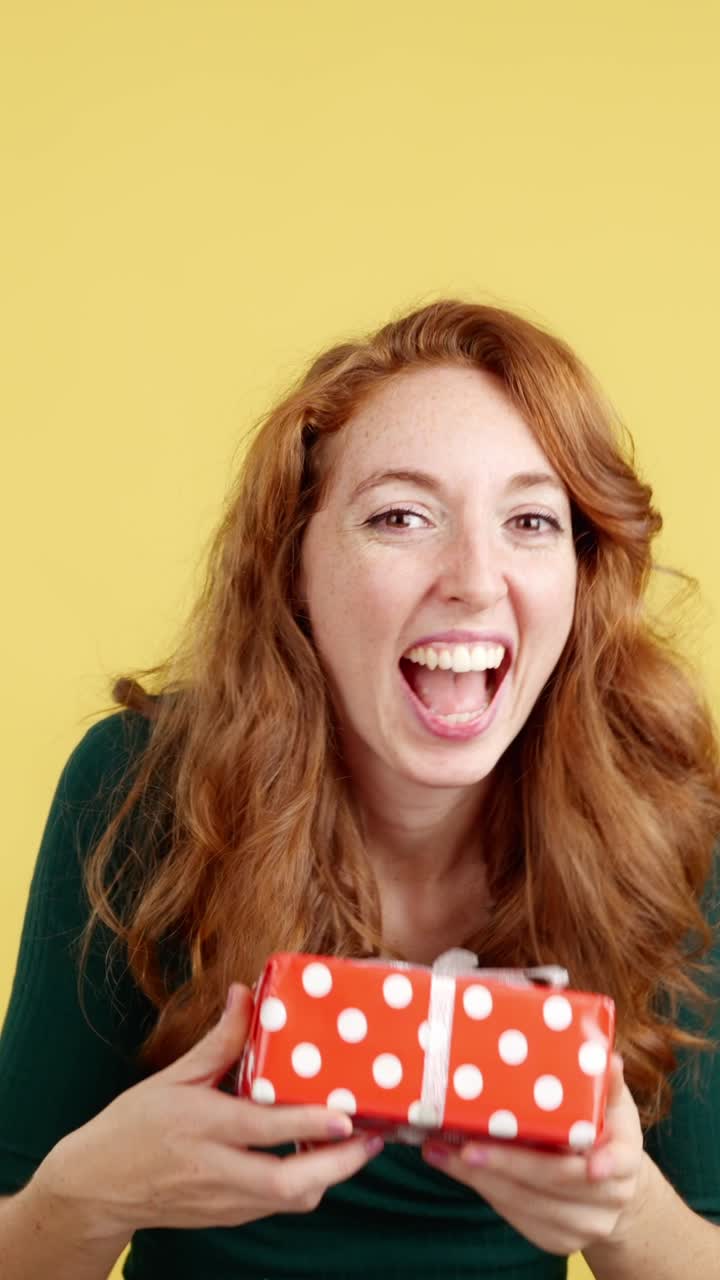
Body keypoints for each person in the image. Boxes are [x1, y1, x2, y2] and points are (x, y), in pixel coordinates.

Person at [1, 299, 719, 1280]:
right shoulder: (144, 785)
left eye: (530, 520)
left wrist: (624, 1208)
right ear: (295, 567)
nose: (476, 579)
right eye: (400, 517)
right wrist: (89, 1195)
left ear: (580, 573)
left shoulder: (670, 816)